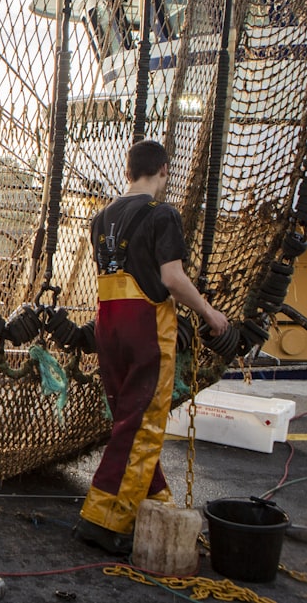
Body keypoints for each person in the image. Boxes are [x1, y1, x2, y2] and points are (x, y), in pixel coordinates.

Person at [74, 140, 230, 556]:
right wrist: (209, 314)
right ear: (163, 170)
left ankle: (152, 500)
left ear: (128, 172)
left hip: (108, 324)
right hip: (146, 326)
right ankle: (102, 519)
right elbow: (172, 278)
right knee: (142, 423)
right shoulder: (162, 214)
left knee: (129, 418)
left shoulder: (100, 217)